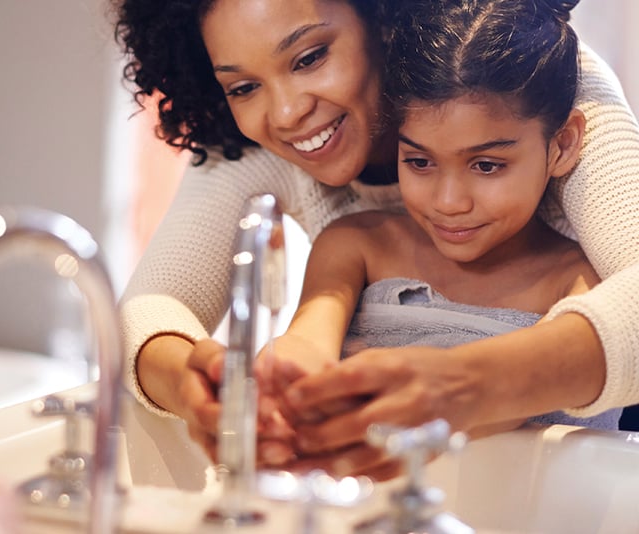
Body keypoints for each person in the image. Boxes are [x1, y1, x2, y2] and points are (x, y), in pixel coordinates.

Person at [113, 0, 639, 475]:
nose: (287, 112)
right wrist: (194, 384)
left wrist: (465, 385)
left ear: (383, 19)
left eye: (309, 57)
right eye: (244, 86)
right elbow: (150, 306)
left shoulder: (532, 74)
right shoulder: (262, 155)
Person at [254, 0, 622, 475]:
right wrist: (286, 378)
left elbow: (557, 392)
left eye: (487, 165)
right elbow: (307, 339)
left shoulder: (580, 282)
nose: (448, 201)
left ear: (563, 144)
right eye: (420, 162)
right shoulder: (357, 245)